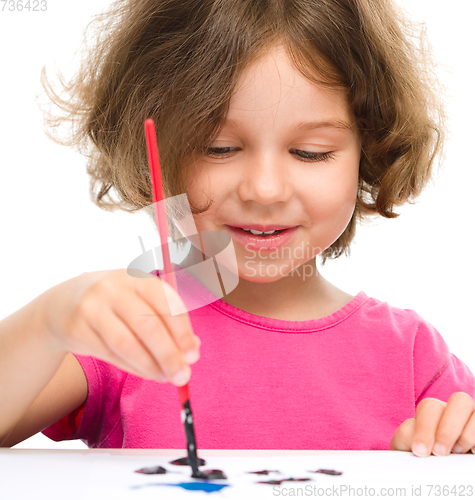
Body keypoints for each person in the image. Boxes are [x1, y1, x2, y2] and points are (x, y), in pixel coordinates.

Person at [1, 0, 474, 457]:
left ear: (370, 152)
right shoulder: (131, 328)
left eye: (310, 152)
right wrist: (50, 322)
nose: (264, 190)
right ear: (155, 154)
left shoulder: (413, 357)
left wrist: (450, 443)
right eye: (219, 148)